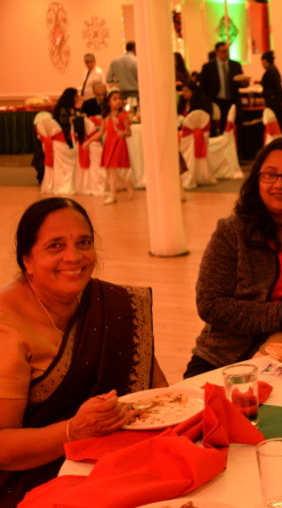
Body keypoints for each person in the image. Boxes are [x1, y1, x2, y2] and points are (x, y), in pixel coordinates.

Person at [0, 197, 166, 505]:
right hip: (35, 480)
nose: (74, 257)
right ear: (27, 261)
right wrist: (72, 431)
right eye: (55, 246)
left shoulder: (114, 304)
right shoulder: (6, 326)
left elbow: (158, 393)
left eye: (84, 242)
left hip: (118, 459)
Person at [184, 138, 282, 377]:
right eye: (270, 175)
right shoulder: (232, 232)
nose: (279, 184)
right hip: (223, 357)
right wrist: (279, 317)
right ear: (257, 180)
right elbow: (210, 304)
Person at [199, 42, 245, 130]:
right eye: (223, 51)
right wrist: (208, 103)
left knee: (235, 127)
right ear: (217, 53)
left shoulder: (235, 65)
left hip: (232, 101)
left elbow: (241, 85)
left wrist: (244, 82)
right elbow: (203, 87)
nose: (226, 53)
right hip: (217, 101)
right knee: (220, 127)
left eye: (227, 51)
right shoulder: (208, 67)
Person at [99, 89, 134, 204]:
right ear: (108, 102)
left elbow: (129, 133)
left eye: (119, 99)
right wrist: (89, 141)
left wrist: (122, 133)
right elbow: (101, 132)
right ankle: (128, 185)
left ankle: (113, 195)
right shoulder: (105, 117)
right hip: (109, 143)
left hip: (118, 143)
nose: (118, 101)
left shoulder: (123, 116)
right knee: (109, 170)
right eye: (115, 99)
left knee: (112, 169)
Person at [259, 51, 282, 137]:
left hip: (274, 103)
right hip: (276, 101)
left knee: (276, 123)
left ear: (265, 61)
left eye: (262, 62)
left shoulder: (270, 72)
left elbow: (277, 87)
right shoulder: (274, 70)